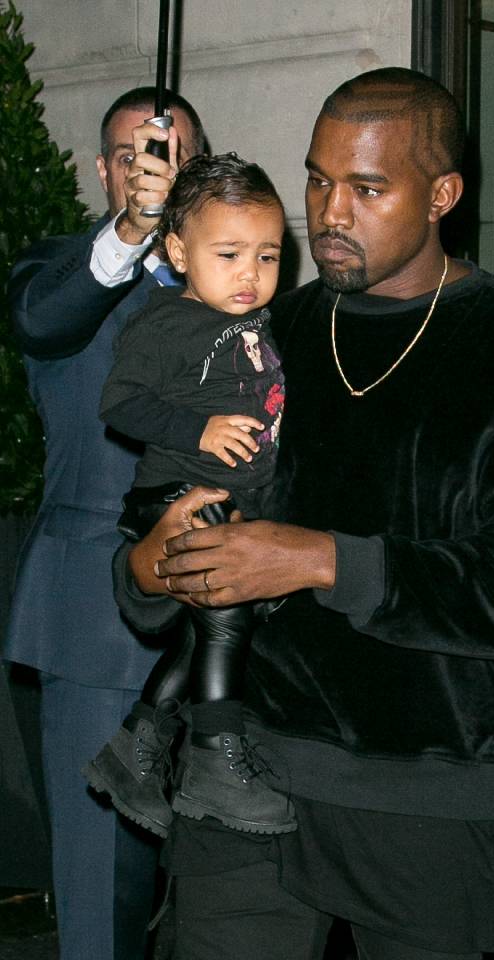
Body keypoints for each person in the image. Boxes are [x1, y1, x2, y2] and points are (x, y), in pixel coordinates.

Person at [114, 68, 494, 960]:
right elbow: (158, 512)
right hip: (245, 769)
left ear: (443, 195)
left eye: (367, 188)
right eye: (317, 179)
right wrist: (150, 563)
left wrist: (321, 560)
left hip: (433, 781)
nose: (330, 212)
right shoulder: (265, 334)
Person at [3, 87, 204, 960]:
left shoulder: (239, 271)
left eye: (168, 153)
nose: (149, 168)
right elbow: (43, 323)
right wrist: (130, 231)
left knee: (212, 882)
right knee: (103, 883)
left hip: (224, 617)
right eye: (130, 154)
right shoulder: (64, 268)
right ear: (103, 170)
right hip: (96, 623)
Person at [83, 152, 294, 840]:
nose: (250, 273)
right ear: (177, 250)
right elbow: (118, 404)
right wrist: (197, 429)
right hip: (176, 494)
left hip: (230, 499)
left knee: (205, 638)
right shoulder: (164, 323)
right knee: (225, 619)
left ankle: (134, 750)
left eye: (268, 255)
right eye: (229, 253)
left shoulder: (266, 321)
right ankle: (213, 763)